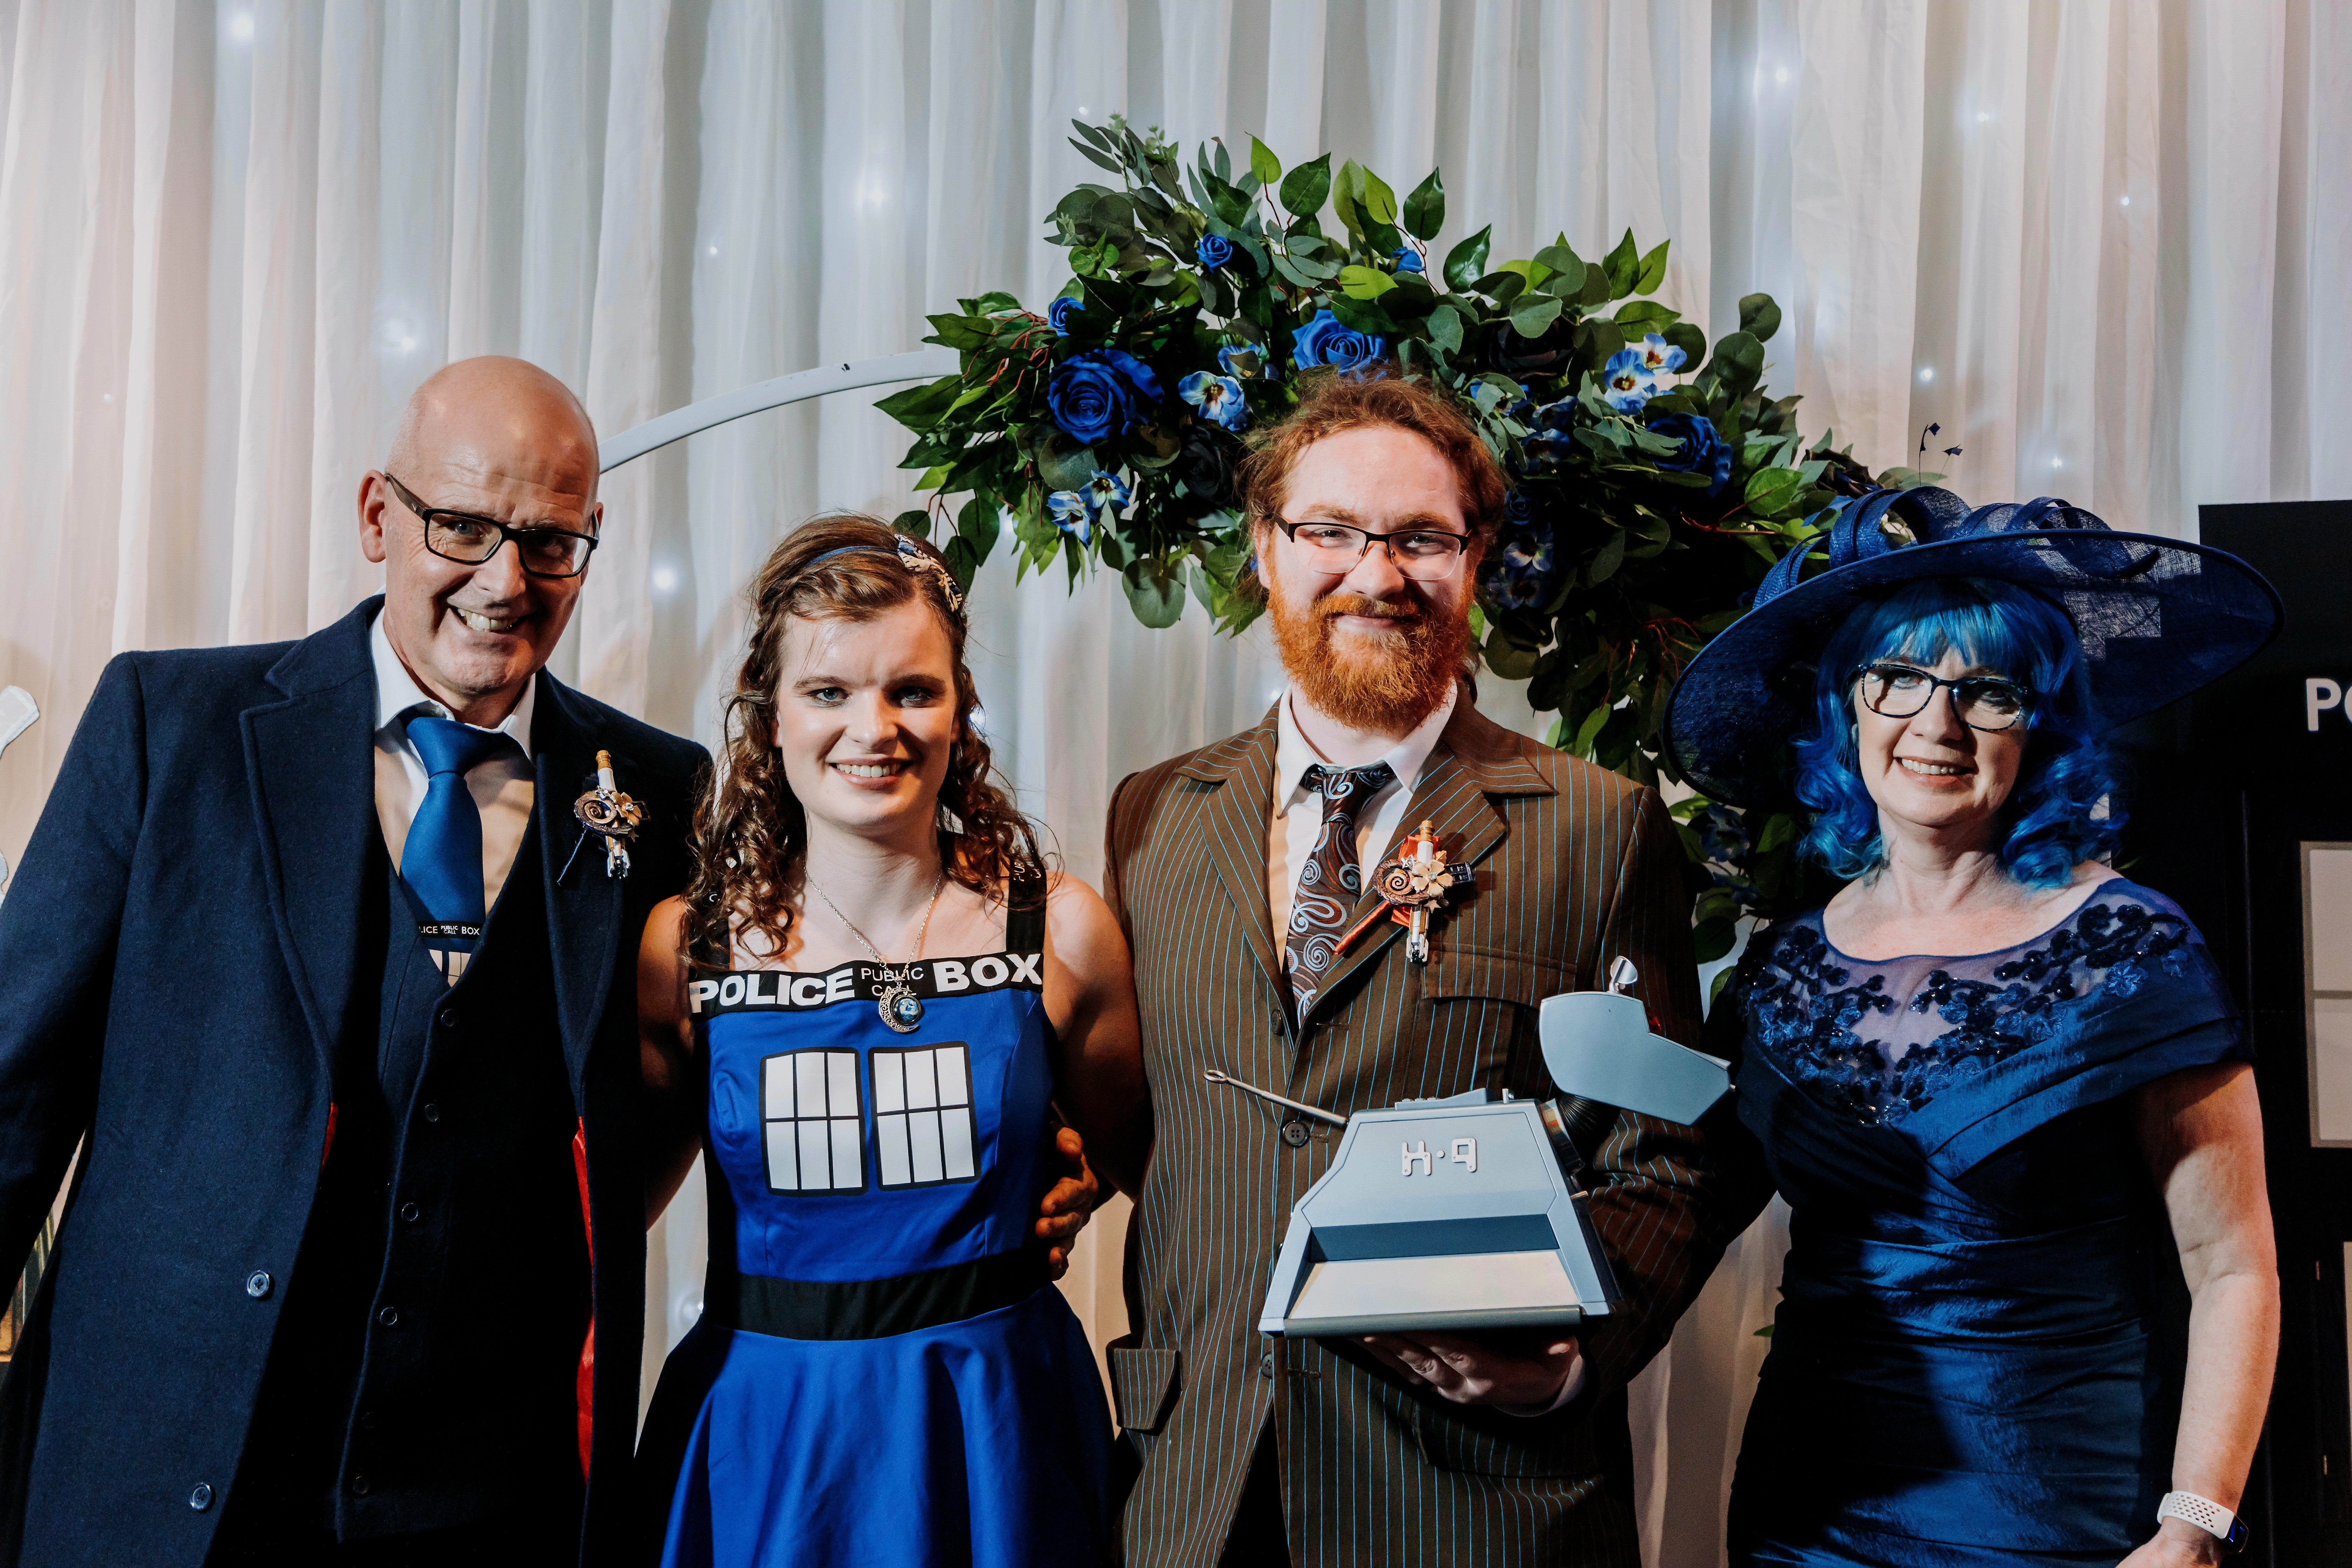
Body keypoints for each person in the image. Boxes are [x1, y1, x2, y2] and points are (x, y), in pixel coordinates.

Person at [0, 357, 705, 1564]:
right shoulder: (172, 726)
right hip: (163, 1469)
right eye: (464, 526)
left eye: (550, 542)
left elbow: (679, 1098)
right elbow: (13, 1090)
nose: (504, 580)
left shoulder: (652, 785)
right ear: (379, 515)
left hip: (492, 1500)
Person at [1103, 370, 1742, 1567]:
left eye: (1421, 538)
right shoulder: (1152, 816)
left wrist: (1569, 1363)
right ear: (1265, 547)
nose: (1376, 573)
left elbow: (1670, 1149)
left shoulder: (1597, 826)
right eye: (1331, 531)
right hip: (1196, 1483)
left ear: (1479, 555)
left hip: (1476, 1495)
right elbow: (1144, 1118)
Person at [1662, 489, 2286, 1567]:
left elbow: (2234, 1266)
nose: (1937, 724)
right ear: (1847, 711)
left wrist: (2195, 1520)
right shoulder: (1788, 962)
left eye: (1987, 692)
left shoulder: (2132, 948)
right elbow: (1690, 1203)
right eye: (1898, 681)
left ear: (2039, 729)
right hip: (1804, 1516)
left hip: (2053, 1518)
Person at [634, 514, 1150, 1567]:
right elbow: (601, 1216)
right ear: (769, 717)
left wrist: (1070, 1178)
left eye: (913, 691)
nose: (875, 728)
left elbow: (1162, 1169)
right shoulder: (685, 947)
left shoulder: (1058, 932)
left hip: (996, 1424)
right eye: (828, 692)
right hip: (768, 1435)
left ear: (961, 714)